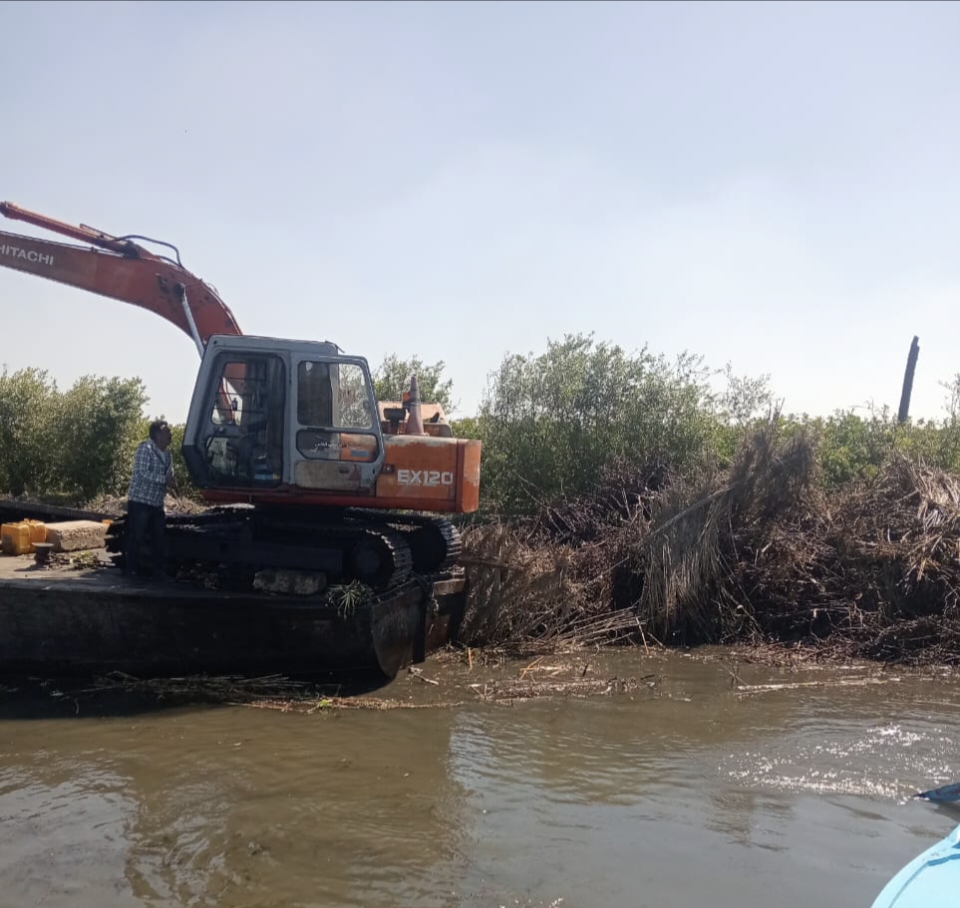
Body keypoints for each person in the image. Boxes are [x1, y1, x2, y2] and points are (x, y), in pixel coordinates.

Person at [124, 419, 178, 579]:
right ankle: (131, 570)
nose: (170, 434)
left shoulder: (168, 455)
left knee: (158, 538)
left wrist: (173, 483)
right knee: (136, 537)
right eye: (167, 432)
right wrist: (164, 480)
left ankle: (157, 570)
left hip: (156, 503)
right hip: (140, 502)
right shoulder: (145, 449)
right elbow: (142, 473)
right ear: (158, 434)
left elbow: (169, 475)